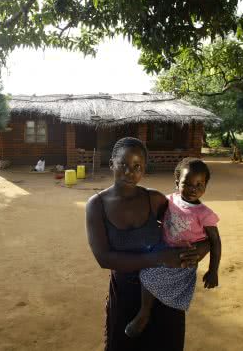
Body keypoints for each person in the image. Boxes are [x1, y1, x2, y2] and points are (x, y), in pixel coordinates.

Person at [86, 137, 210, 351]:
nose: (129, 172)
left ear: (144, 168)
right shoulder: (97, 205)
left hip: (165, 291)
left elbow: (195, 225)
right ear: (111, 164)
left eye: (137, 166)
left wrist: (199, 249)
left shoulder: (154, 199)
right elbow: (103, 258)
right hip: (125, 293)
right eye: (123, 164)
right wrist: (158, 258)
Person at [125, 158, 222, 338]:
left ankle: (146, 315)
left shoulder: (205, 214)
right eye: (187, 183)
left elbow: (216, 242)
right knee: (145, 268)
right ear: (177, 183)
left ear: (206, 186)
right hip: (163, 249)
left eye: (199, 184)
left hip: (184, 257)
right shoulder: (170, 199)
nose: (193, 188)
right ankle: (147, 313)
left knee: (150, 276)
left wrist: (213, 270)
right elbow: (156, 216)